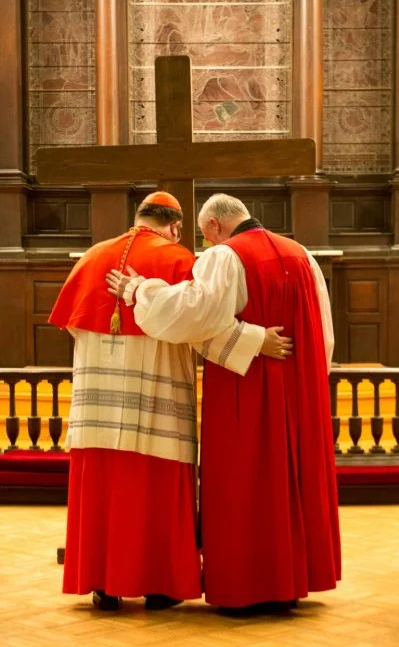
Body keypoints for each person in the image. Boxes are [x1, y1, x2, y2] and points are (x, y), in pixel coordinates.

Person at [50, 191, 292, 612]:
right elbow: (199, 323)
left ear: (138, 217)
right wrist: (255, 340)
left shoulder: (90, 259)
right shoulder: (179, 260)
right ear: (176, 226)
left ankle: (104, 585)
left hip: (97, 407)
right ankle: (159, 586)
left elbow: (73, 326)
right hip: (155, 397)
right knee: (153, 492)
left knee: (102, 490)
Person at [109, 193, 341, 614]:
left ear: (214, 226)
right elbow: (324, 334)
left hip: (245, 388)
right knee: (287, 483)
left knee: (244, 480)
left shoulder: (224, 257)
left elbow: (194, 316)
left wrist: (138, 290)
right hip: (298, 389)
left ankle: (246, 589)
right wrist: (304, 380)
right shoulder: (302, 254)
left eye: (205, 237)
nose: (208, 245)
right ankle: (288, 583)